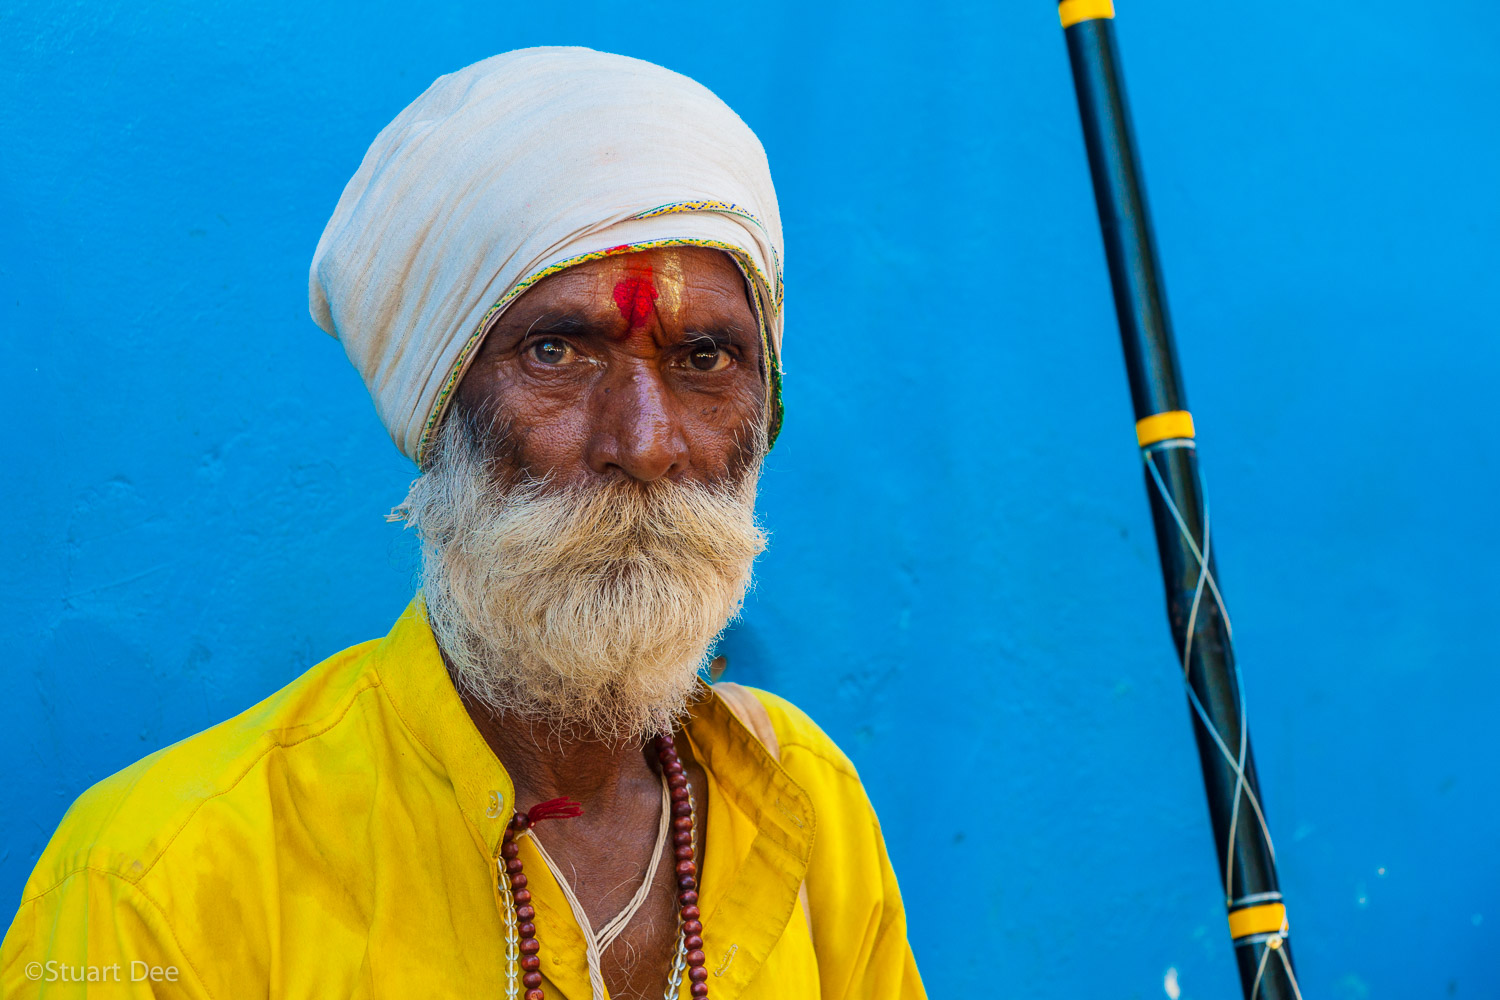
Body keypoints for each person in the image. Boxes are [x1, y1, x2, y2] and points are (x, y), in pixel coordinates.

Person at [1, 47, 926, 1000]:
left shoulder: (805, 800)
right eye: (557, 351)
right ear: (436, 408)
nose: (646, 444)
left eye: (703, 356)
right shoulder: (158, 881)